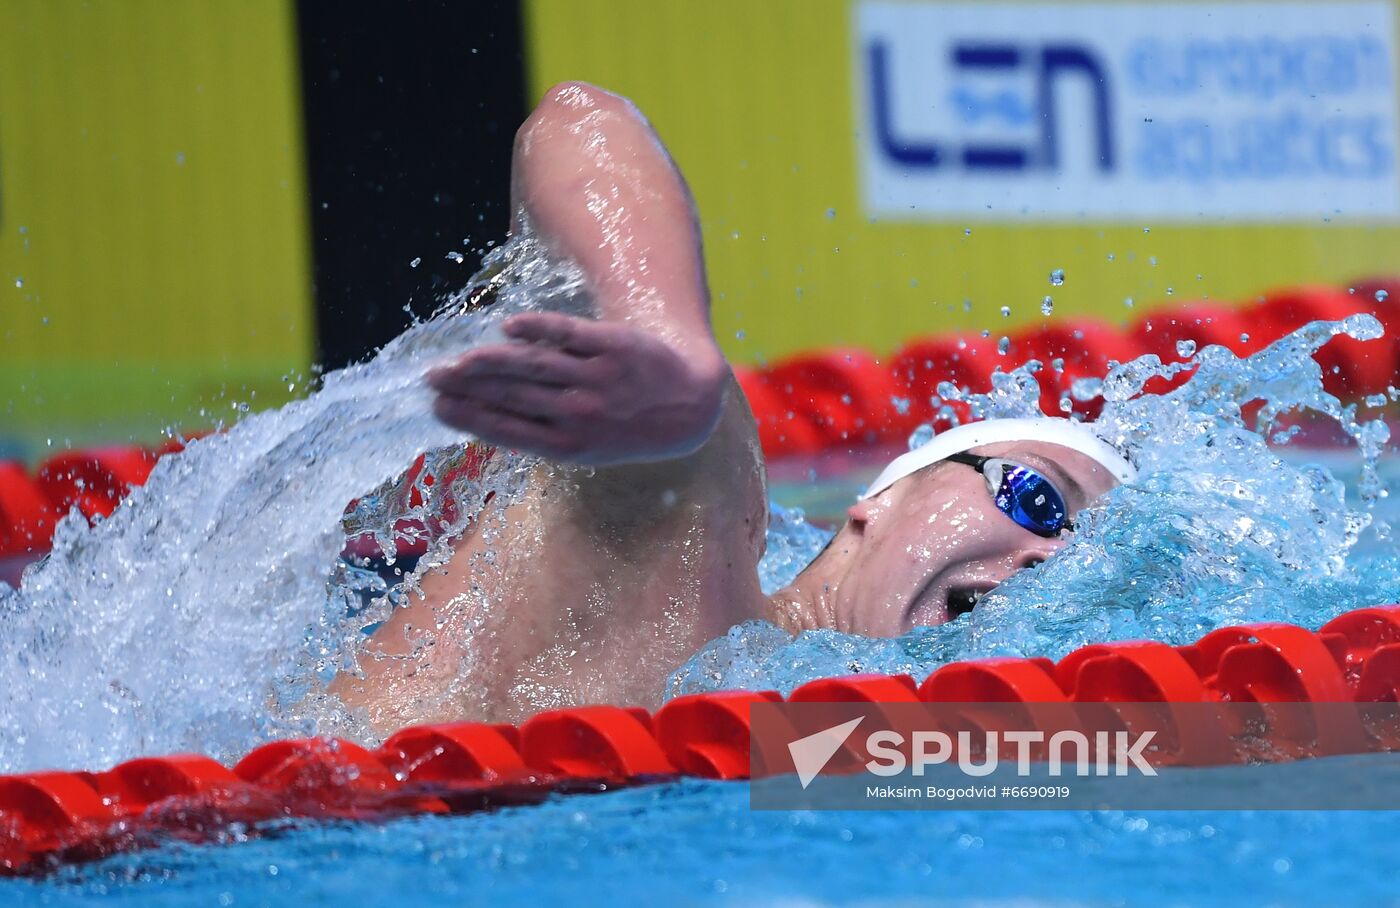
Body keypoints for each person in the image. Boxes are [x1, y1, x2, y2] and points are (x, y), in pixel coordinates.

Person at [329, 83, 1132, 732]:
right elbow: (580, 122)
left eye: (1090, 566)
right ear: (877, 505)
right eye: (1036, 498)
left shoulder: (839, 756)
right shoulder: (691, 545)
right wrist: (666, 335)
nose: (1051, 561)